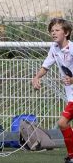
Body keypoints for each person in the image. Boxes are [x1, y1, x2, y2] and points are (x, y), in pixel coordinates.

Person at [32, 18, 73, 163]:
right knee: (63, 123)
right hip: (71, 97)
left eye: (57, 30)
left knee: (62, 123)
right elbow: (46, 66)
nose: (53, 33)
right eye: (52, 31)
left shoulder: (72, 48)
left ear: (66, 32)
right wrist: (36, 77)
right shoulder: (54, 48)